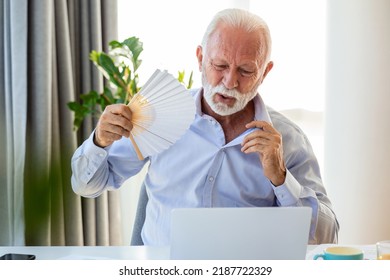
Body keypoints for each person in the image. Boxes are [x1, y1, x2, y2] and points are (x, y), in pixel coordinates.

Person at [71, 8, 339, 245]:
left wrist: (281, 178)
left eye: (246, 70)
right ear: (200, 58)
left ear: (264, 72)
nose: (230, 81)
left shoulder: (288, 138)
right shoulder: (160, 116)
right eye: (219, 65)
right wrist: (99, 142)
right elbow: (86, 185)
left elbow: (326, 236)